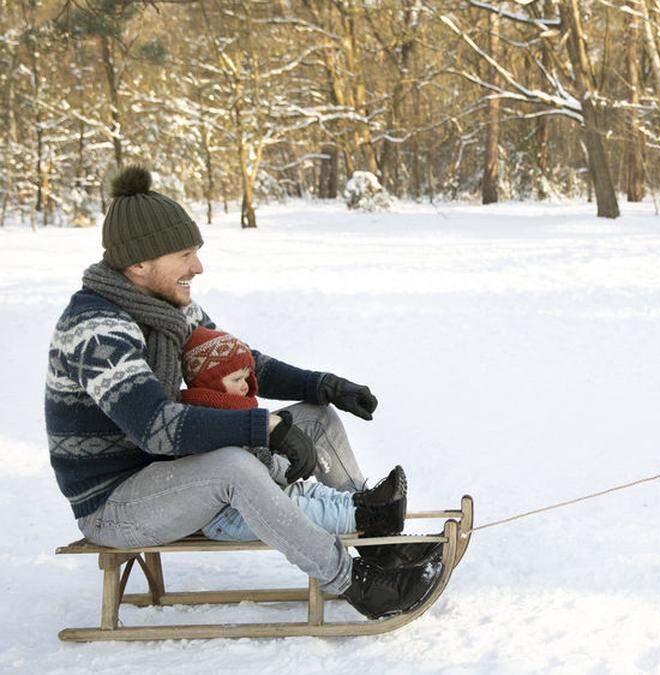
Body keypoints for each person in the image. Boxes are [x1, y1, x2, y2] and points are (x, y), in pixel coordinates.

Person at [45, 165, 440, 619]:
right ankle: (358, 585)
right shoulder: (96, 329)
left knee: (316, 417)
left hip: (169, 472)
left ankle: (377, 541)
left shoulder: (167, 308)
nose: (198, 266)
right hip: (115, 503)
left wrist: (322, 385)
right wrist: (263, 426)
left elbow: (234, 362)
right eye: (185, 254)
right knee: (232, 468)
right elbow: (155, 427)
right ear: (138, 264)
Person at [180, 327, 440, 569]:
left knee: (309, 492)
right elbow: (244, 469)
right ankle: (368, 521)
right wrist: (285, 464)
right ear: (211, 384)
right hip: (228, 515)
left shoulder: (231, 406)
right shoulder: (205, 421)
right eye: (237, 379)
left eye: (247, 377)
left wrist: (324, 386)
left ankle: (366, 508)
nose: (246, 385)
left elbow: (258, 463)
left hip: (248, 496)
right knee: (300, 505)